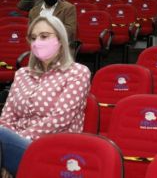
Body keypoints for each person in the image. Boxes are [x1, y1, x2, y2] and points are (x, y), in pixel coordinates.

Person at [0, 15, 91, 177]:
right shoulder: (22, 74)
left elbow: (59, 120)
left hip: (53, 147)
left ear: (61, 40)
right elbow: (7, 117)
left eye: (44, 36)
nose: (37, 42)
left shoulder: (77, 72)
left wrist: (10, 145)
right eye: (33, 38)